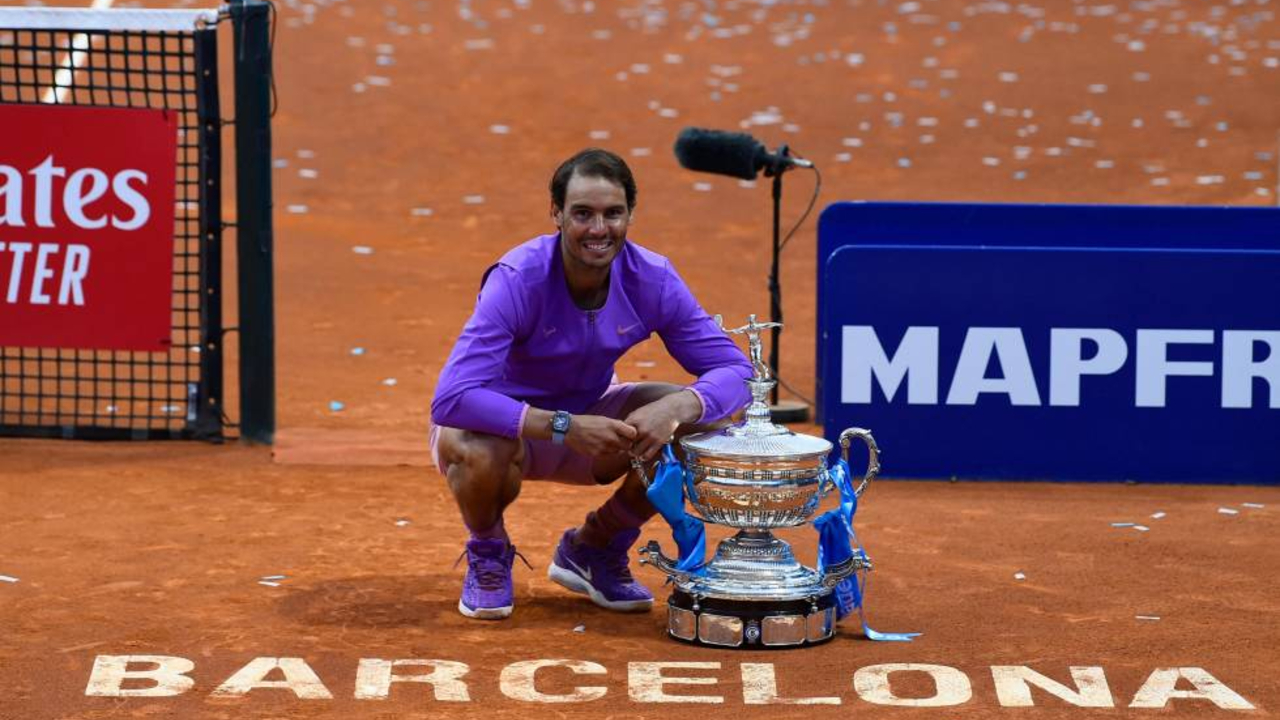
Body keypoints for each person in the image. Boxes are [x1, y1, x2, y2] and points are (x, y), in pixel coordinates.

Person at [430, 148, 753, 620]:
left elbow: (740, 371)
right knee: (476, 450)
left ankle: (595, 547)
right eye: (583, 213)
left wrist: (680, 406)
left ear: (630, 215)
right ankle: (488, 550)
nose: (598, 229)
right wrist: (562, 426)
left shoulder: (652, 279)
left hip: (593, 421)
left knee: (705, 422)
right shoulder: (518, 279)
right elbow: (452, 398)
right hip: (505, 430)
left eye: (612, 214)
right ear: (557, 213)